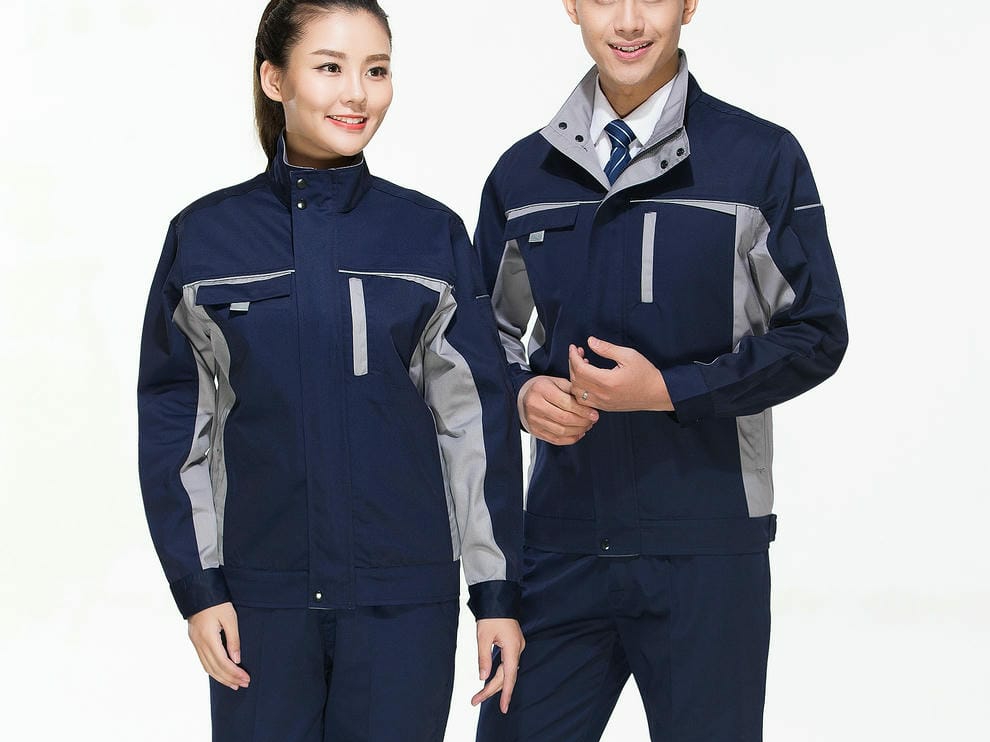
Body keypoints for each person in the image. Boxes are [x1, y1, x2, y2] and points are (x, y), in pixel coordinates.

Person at [137, 2, 524, 740]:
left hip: (402, 602)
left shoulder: (428, 234)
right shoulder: (206, 238)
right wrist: (199, 586)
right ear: (274, 79)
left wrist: (496, 594)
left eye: (376, 71)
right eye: (330, 67)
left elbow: (474, 423)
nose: (357, 93)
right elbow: (175, 422)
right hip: (261, 601)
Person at [473, 1, 847, 740]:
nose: (629, 20)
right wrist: (521, 393)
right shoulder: (522, 176)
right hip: (561, 543)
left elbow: (816, 332)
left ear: (689, 3)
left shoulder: (758, 159)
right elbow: (479, 337)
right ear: (571, 4)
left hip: (707, 543)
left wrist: (669, 391)